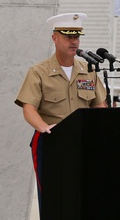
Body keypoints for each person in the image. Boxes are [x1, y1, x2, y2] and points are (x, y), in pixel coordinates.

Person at [14, 12, 107, 200]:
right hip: (52, 141)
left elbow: (99, 105)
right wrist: (44, 128)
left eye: (77, 37)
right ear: (54, 38)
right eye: (68, 37)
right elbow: (29, 107)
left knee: (84, 195)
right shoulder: (39, 72)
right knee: (52, 196)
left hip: (83, 141)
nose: (74, 42)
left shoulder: (88, 71)